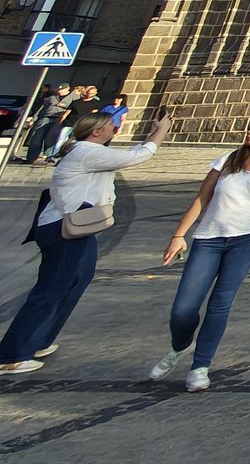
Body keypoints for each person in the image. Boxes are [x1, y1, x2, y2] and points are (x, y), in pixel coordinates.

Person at [0, 110, 173, 375]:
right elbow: (140, 155)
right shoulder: (86, 152)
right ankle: (12, 354)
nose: (114, 129)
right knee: (51, 289)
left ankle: (38, 340)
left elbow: (131, 153)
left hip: (76, 228)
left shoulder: (89, 151)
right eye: (110, 126)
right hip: (63, 228)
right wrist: (162, 130)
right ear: (96, 132)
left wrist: (153, 131)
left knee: (76, 280)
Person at [149, 113, 250, 391]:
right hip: (209, 237)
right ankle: (180, 345)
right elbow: (202, 197)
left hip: (248, 239)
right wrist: (179, 235)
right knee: (183, 308)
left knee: (220, 303)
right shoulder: (229, 160)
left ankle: (200, 366)